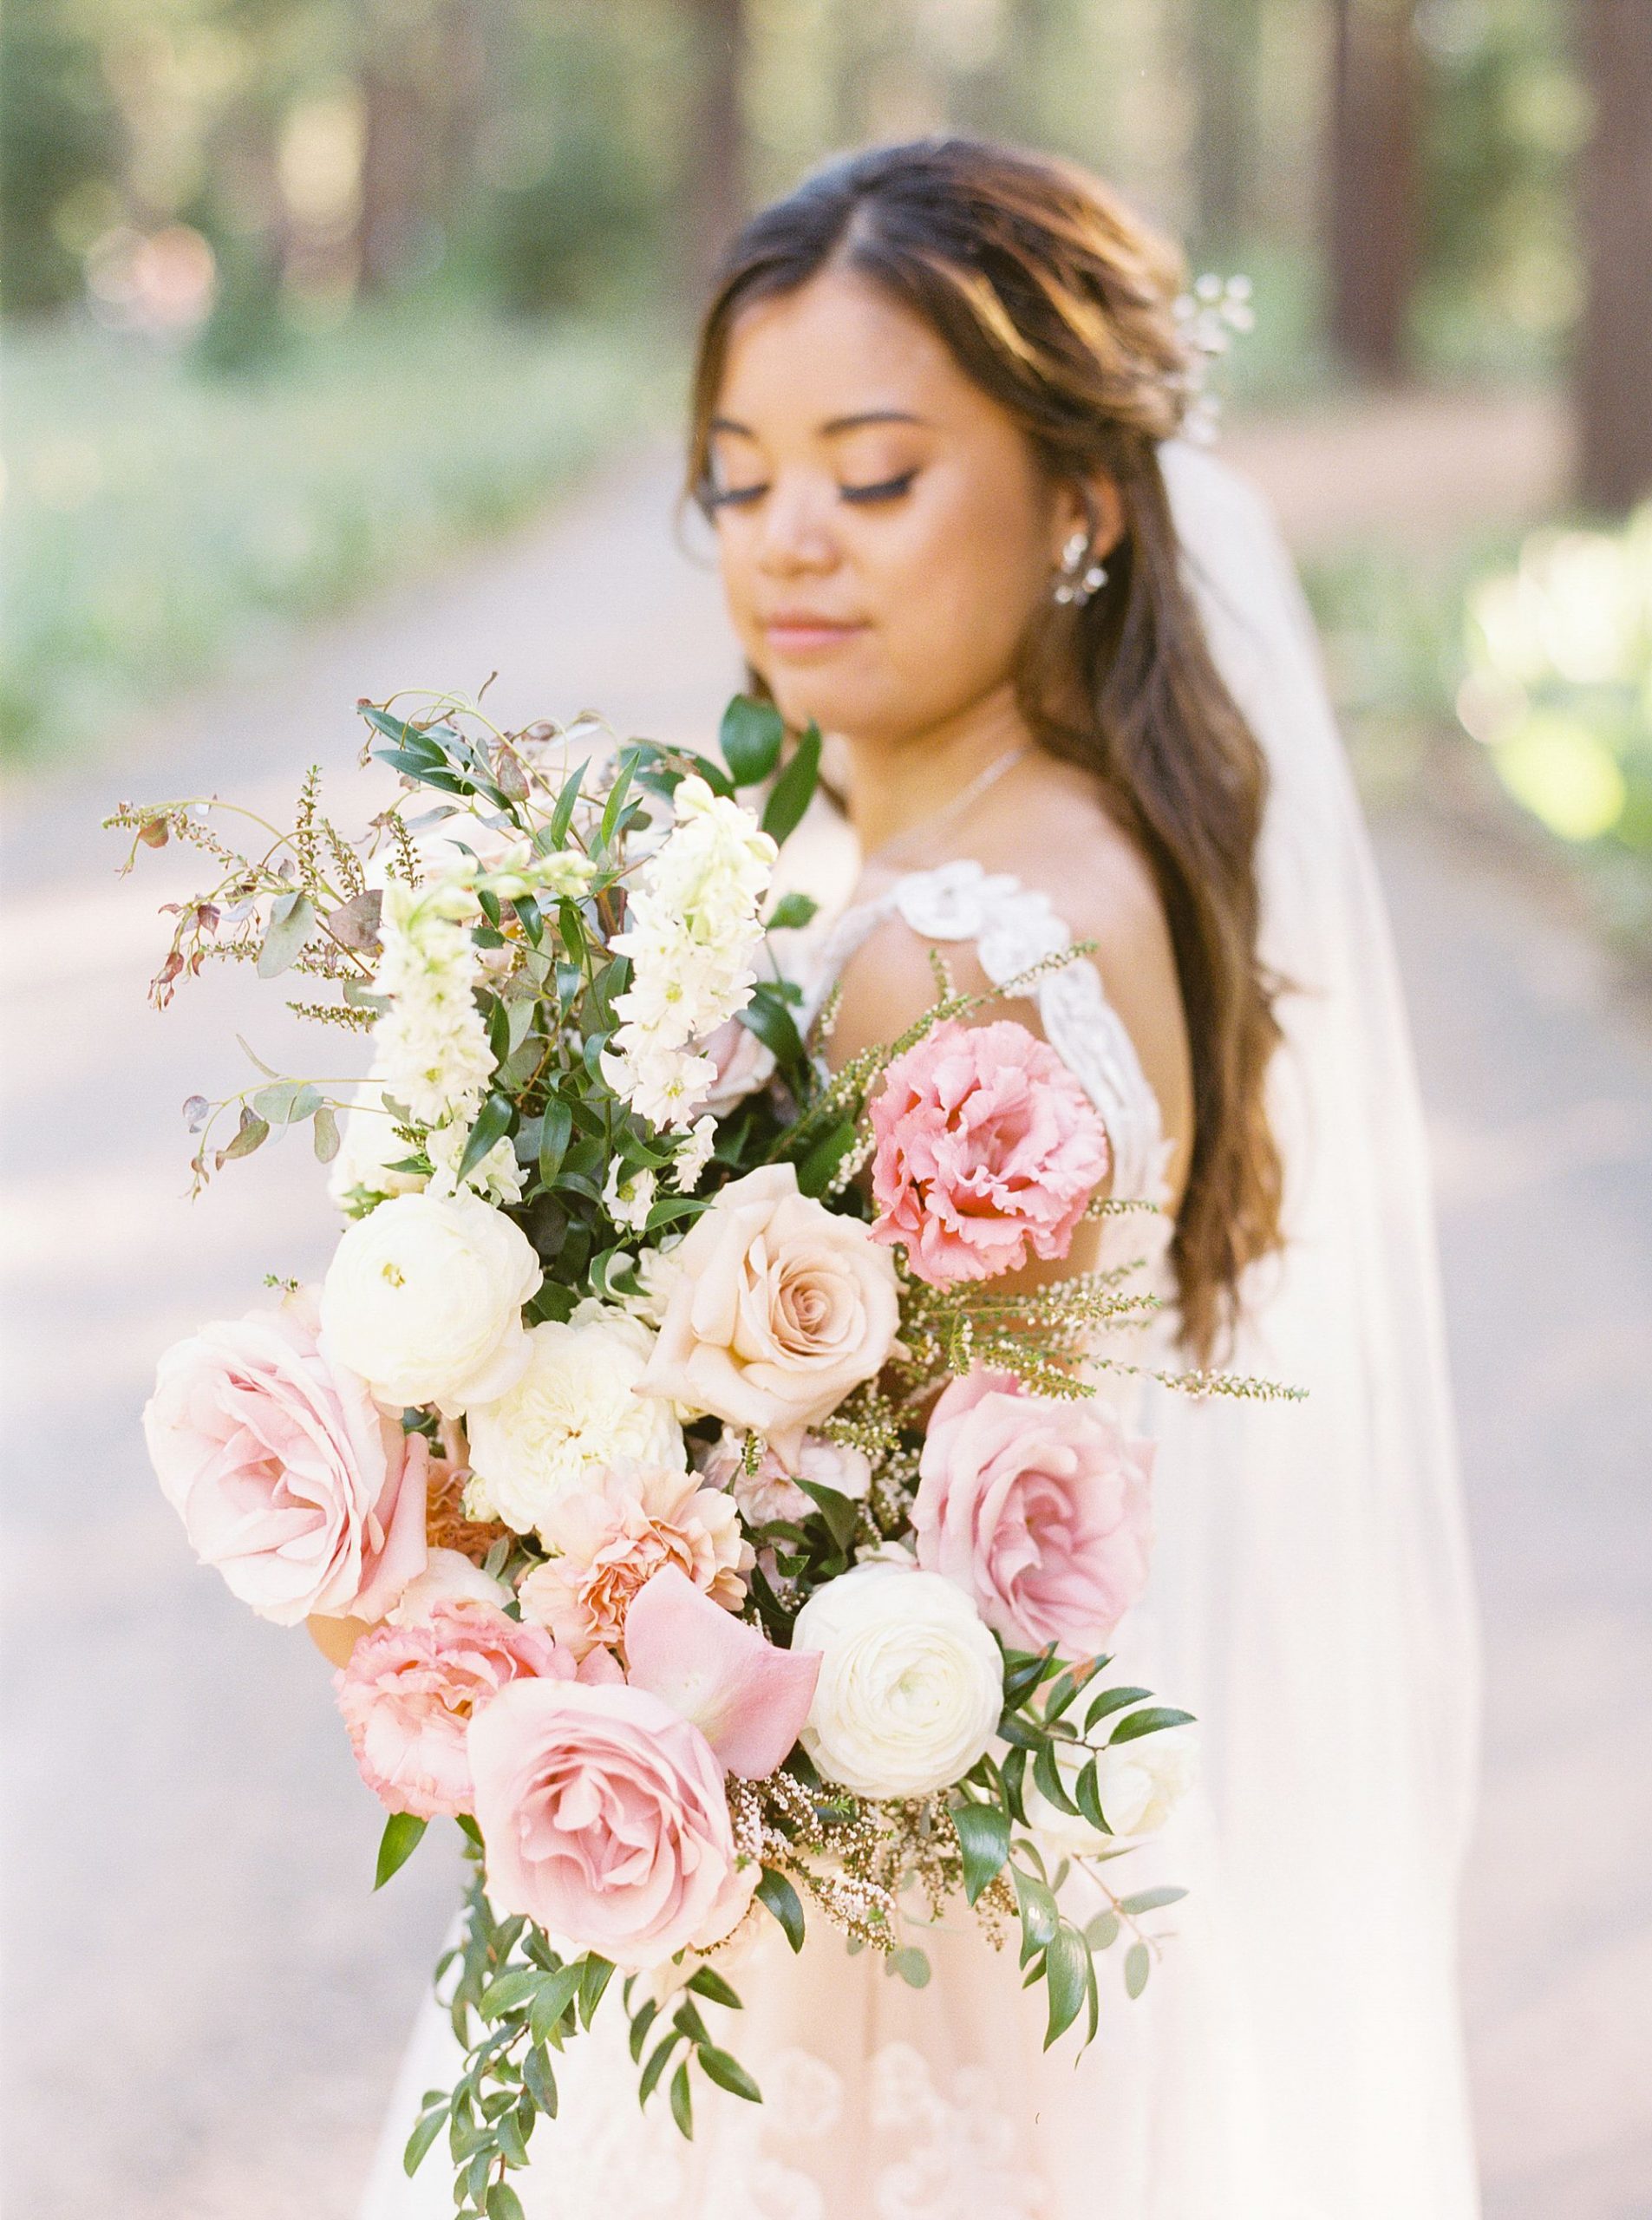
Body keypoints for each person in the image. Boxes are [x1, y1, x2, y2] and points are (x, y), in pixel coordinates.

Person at [361, 138, 1484, 2219]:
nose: (789, 538)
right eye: (738, 473)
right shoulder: (1068, 843)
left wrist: (465, 1516)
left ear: (1078, 499)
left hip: (844, 1977)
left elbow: (785, 1539)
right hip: (1000, 1889)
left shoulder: (947, 940)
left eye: (872, 476)